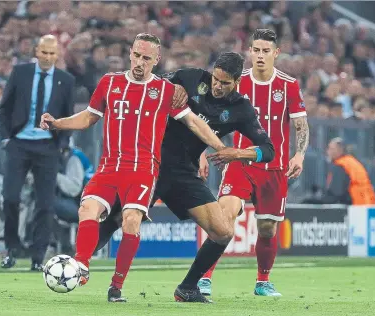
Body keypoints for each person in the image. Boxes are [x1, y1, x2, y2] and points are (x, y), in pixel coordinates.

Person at [40, 33, 229, 303]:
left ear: (156, 60)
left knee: (130, 220)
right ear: (131, 53)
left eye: (147, 58)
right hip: (109, 167)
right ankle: (81, 266)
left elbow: (194, 123)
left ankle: (116, 286)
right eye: (137, 55)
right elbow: (88, 117)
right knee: (87, 209)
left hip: (142, 169)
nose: (140, 62)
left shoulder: (165, 91)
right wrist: (58, 123)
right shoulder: (110, 83)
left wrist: (219, 147)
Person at [96, 51, 275, 303]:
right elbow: (153, 84)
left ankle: (188, 288)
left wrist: (239, 152)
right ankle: (76, 263)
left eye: (225, 83)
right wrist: (170, 86)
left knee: (223, 231)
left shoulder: (241, 110)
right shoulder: (190, 77)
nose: (217, 86)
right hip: (152, 162)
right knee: (115, 218)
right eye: (216, 79)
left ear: (237, 82)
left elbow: (268, 150)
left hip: (182, 172)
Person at [198, 29, 310, 297]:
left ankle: (263, 281)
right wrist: (200, 152)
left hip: (275, 167)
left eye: (265, 51)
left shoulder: (289, 85)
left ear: (276, 53)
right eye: (256, 50)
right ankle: (204, 277)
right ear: (250, 52)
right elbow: (209, 119)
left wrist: (300, 154)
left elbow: (300, 124)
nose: (260, 56)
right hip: (240, 162)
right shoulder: (237, 82)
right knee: (224, 216)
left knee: (268, 227)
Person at [0, 34, 75, 271]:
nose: (48, 57)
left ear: (57, 55)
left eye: (52, 53)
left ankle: (37, 257)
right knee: (10, 197)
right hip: (19, 143)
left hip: (47, 147)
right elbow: (5, 108)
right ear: (36, 51)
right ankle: (11, 248)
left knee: (45, 203)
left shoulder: (66, 80)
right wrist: (6, 139)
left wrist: (61, 145)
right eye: (44, 52)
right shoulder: (20, 73)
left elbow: (68, 116)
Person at [304, 137, 375, 205]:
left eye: (331, 149)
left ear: (340, 150)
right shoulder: (350, 162)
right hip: (368, 205)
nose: (328, 151)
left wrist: (313, 201)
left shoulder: (341, 165)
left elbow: (335, 195)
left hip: (358, 207)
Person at [53, 141, 94, 254]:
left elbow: (73, 189)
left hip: (83, 207)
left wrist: (53, 175)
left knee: (46, 204)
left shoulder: (73, 159)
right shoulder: (75, 155)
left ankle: (60, 245)